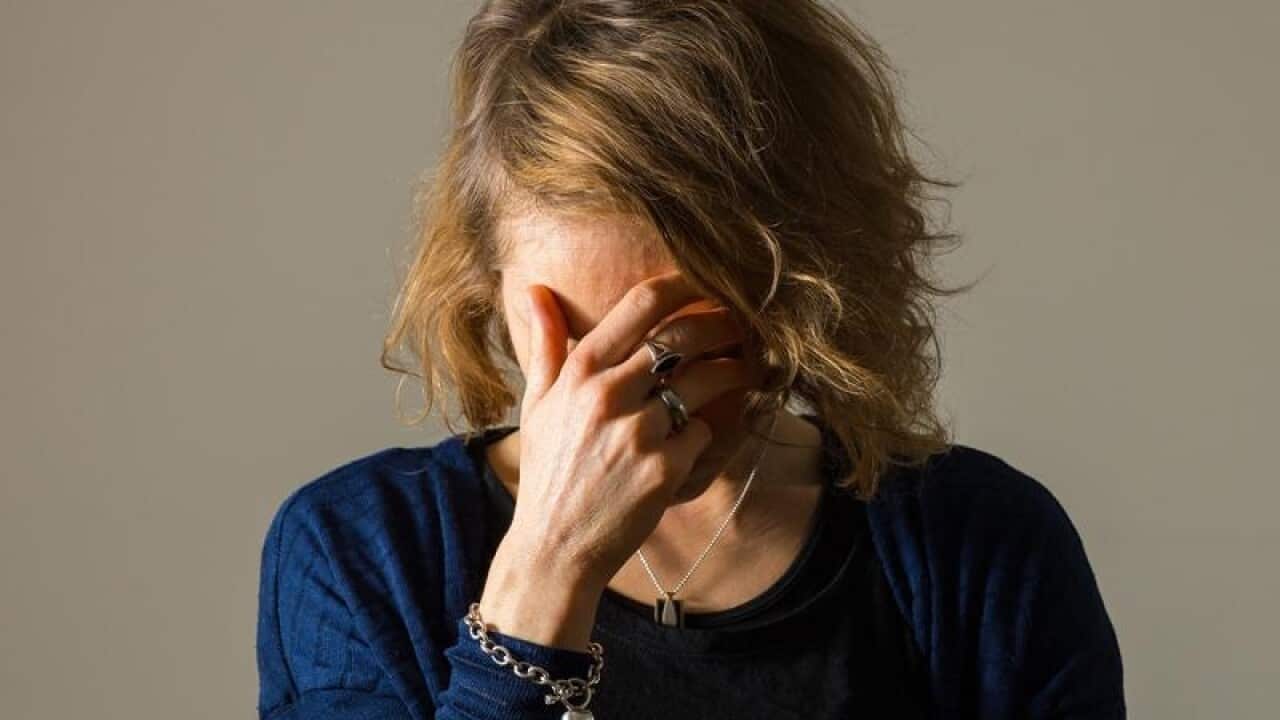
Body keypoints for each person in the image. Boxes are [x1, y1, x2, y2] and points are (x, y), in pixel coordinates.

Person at [255, 1, 1125, 718]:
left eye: (676, 338)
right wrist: (546, 575)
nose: (618, 399)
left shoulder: (980, 548)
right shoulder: (355, 552)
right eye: (573, 331)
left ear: (798, 289)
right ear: (487, 283)